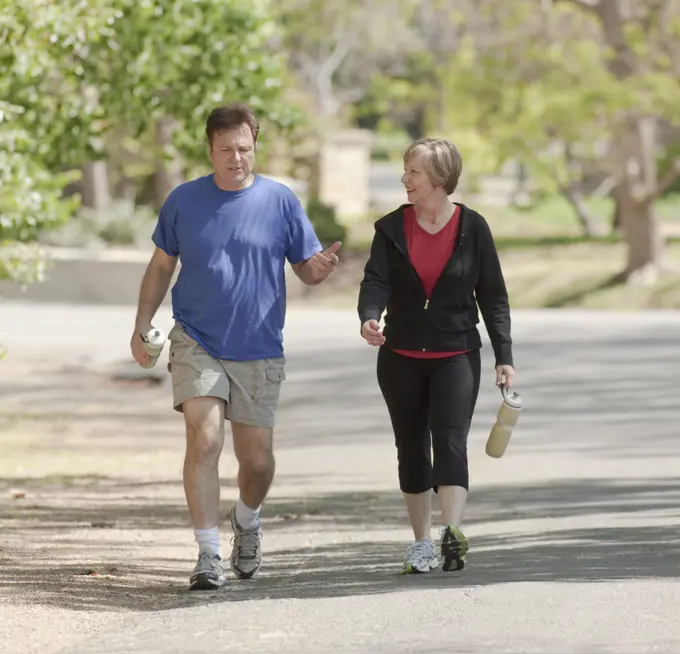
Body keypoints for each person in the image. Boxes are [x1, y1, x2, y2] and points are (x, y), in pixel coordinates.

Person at [130, 102, 341, 591]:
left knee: (258, 461)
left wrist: (320, 269)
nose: (236, 158)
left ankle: (246, 520)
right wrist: (142, 322)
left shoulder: (280, 201)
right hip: (197, 339)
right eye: (225, 149)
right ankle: (207, 554)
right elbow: (161, 265)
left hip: (259, 346)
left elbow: (306, 268)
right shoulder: (184, 200)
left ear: (255, 147)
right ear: (209, 150)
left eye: (244, 148)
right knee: (203, 439)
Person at [357, 137, 515, 575]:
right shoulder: (390, 228)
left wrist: (505, 353)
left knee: (450, 440)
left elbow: (493, 295)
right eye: (405, 171)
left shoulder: (473, 227)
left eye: (414, 172)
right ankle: (421, 542)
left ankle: (452, 534)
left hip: (456, 353)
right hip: (400, 355)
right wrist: (369, 317)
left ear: (440, 179)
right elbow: (375, 281)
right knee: (411, 445)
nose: (404, 179)